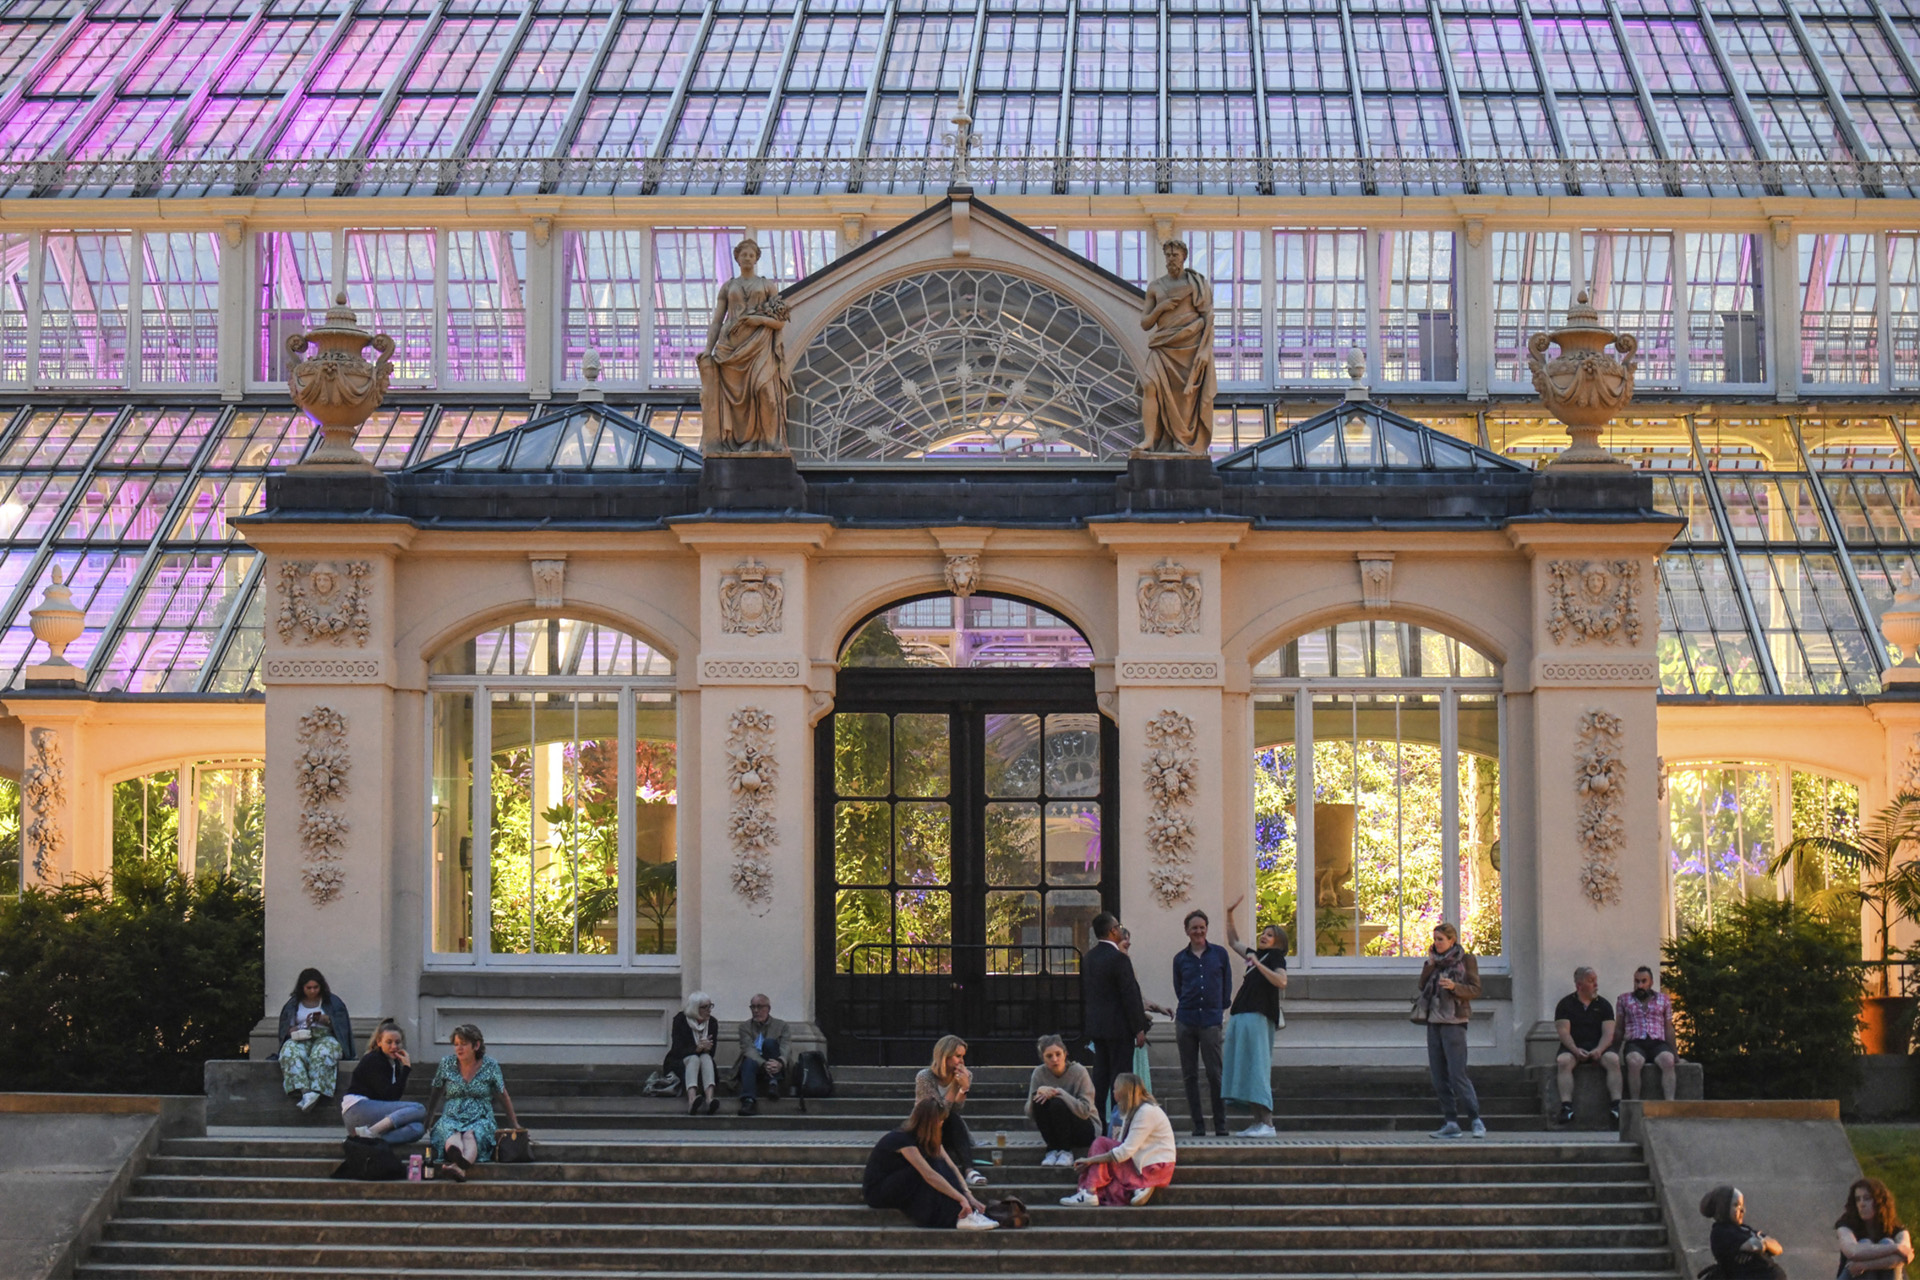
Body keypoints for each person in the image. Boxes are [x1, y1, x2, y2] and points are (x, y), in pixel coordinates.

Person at [863, 1097, 996, 1230]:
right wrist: (960, 1198)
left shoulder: (929, 1140)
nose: (941, 1125)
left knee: (938, 1163)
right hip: (878, 1191)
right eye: (939, 1121)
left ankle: (965, 1213)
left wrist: (968, 1196)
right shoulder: (902, 1139)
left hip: (903, 1184)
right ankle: (956, 1217)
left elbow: (951, 1167)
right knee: (929, 1167)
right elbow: (929, 1175)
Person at [1220, 896, 1287, 1138]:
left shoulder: (1275, 958)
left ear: (1278, 942)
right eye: (1264, 933)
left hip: (1258, 1018)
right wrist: (1229, 914)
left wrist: (1257, 964)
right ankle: (1257, 1121)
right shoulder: (1254, 955)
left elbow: (1281, 981)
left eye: (1270, 935)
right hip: (1242, 1017)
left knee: (1257, 1068)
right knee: (1245, 1068)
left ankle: (1267, 1123)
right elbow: (1233, 941)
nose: (1264, 936)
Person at [1060, 1073, 1176, 1207]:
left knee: (1101, 1143)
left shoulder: (1146, 1112)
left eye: (1115, 1088)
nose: (1113, 1091)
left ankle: (1090, 1192)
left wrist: (1090, 1160)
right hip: (1146, 1165)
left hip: (1154, 1168)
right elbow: (1119, 1146)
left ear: (1123, 1091)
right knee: (1108, 1173)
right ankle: (1137, 1187)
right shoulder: (1132, 1111)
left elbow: (1123, 1152)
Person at [1413, 921, 1484, 1139]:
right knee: (1438, 1075)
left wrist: (1455, 987)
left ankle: (1475, 1119)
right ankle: (1450, 1121)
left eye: (1440, 939)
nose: (1437, 943)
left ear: (1451, 940)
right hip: (1434, 1021)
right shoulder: (1433, 961)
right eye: (1434, 939)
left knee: (1457, 1074)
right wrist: (1431, 965)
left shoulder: (1466, 960)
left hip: (1455, 1020)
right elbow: (1421, 985)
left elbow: (1475, 989)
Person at [424, 1024, 519, 1183]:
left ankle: (460, 1163)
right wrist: (428, 1118)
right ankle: (458, 1160)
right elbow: (436, 1091)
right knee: (450, 1131)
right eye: (456, 1044)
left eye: (463, 1044)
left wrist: (515, 1124)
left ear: (476, 1045)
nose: (459, 1048)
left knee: (472, 1134)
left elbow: (503, 1095)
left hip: (480, 1114)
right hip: (452, 1113)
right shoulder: (447, 1063)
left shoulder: (490, 1065)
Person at [1082, 911, 1151, 1126]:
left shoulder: (1088, 958)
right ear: (1112, 930)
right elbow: (1129, 995)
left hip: (1097, 1028)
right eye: (1118, 926)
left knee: (1100, 1076)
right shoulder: (1119, 959)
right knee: (1120, 1078)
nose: (1121, 930)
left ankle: (1099, 1122)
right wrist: (1138, 1027)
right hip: (1120, 1028)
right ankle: (1118, 1122)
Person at [1170, 909, 1233, 1138]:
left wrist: (1219, 1009)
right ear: (1187, 931)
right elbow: (1179, 988)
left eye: (1202, 927)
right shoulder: (1180, 959)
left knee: (1215, 1074)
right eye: (1194, 928)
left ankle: (1220, 1124)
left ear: (1207, 928)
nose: (1198, 931)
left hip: (1210, 1021)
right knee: (1190, 1075)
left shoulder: (1219, 954)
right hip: (1186, 1020)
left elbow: (1227, 984)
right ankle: (1198, 1125)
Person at [276, 968, 354, 1113]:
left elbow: (342, 1025)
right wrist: (291, 1030)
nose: (312, 991)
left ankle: (317, 1090)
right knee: (288, 1052)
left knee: (322, 1053)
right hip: (301, 1037)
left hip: (326, 1036)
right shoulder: (293, 1004)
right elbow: (285, 1026)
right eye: (308, 988)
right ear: (302, 988)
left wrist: (328, 1020)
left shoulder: (332, 1002)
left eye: (315, 987)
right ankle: (305, 1091)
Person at [1553, 966, 1621, 1125]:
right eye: (1591, 981)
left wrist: (1599, 1049)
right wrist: (1575, 1051)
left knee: (1613, 1060)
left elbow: (1609, 1033)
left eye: (1596, 981)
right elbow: (1563, 1032)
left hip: (1599, 1046)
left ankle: (1617, 1105)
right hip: (1575, 1046)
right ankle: (1566, 1107)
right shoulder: (1565, 1004)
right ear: (1579, 986)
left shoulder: (1604, 1005)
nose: (1596, 985)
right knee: (1563, 1061)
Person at [916, 1035, 987, 1186]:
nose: (961, 1061)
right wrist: (956, 1086)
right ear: (944, 1056)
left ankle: (969, 1170)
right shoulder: (925, 1077)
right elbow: (937, 1111)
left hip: (948, 1126)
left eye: (963, 1056)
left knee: (953, 1118)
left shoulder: (966, 1075)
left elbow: (956, 1108)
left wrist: (964, 1088)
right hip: (926, 1126)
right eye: (957, 1056)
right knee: (949, 1117)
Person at [342, 1020, 425, 1145]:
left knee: (417, 1128)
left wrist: (403, 1068)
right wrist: (407, 1069)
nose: (394, 1046)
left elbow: (394, 1097)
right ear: (379, 1042)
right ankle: (371, 1133)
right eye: (389, 1042)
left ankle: (369, 1140)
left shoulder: (394, 1064)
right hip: (357, 1109)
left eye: (397, 1042)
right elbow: (388, 1095)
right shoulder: (373, 1059)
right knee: (419, 1108)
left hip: (374, 1114)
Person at [1026, 1033, 1098, 1167]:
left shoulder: (1079, 1072)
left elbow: (1085, 1111)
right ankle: (1053, 1149)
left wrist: (1059, 1093)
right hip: (1055, 1129)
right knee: (1039, 1099)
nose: (1055, 1059)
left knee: (1057, 1103)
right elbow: (1030, 1114)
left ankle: (1066, 1151)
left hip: (1084, 1127)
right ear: (1043, 1058)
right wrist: (1037, 1093)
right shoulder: (1039, 1073)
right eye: (1049, 1056)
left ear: (1065, 1054)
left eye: (1058, 1054)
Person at [1610, 965, 1681, 1101]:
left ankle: (1670, 1103)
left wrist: (1675, 1054)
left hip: (1657, 1042)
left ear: (1651, 982)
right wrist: (1614, 1050)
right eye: (1637, 981)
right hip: (1635, 1042)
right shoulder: (1624, 1000)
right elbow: (1619, 1027)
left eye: (1643, 981)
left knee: (1668, 1060)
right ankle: (1635, 1103)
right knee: (1634, 1062)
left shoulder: (1663, 1000)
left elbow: (1668, 1028)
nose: (1639, 985)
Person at [1700, 1185, 1787, 1279]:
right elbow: (1754, 1246)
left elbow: (1777, 1248)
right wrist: (1762, 1242)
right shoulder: (1721, 1232)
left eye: (1742, 1205)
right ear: (1723, 1207)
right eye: (1736, 1205)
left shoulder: (1744, 1229)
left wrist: (1764, 1243)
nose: (1742, 1210)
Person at [1836, 1176, 1912, 1279]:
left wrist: (1864, 1265)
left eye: (1867, 1198)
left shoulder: (1895, 1227)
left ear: (1879, 1201)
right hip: (1852, 1276)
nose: (1862, 1204)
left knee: (1887, 1242)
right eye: (1858, 1199)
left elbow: (1906, 1255)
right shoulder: (1846, 1224)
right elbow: (1853, 1252)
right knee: (1864, 1243)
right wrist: (1895, 1248)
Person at [735, 993, 789, 1117]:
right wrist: (764, 1064)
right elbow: (748, 1049)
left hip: (776, 1064)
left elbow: (786, 1047)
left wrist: (780, 1062)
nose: (755, 1011)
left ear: (768, 1008)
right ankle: (748, 1101)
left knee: (770, 1043)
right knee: (748, 1060)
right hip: (756, 1065)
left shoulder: (782, 1026)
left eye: (759, 1007)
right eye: (753, 1007)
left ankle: (774, 1083)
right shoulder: (744, 1027)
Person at [668, 991, 720, 1116]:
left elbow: (712, 1052)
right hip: (680, 1061)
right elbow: (677, 1049)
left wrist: (707, 1048)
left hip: (703, 1060)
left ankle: (709, 1099)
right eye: (704, 1007)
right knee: (694, 1059)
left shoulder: (712, 1022)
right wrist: (697, 1048)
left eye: (710, 1006)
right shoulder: (680, 1020)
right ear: (695, 1008)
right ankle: (692, 1100)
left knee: (706, 1058)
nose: (709, 1010)